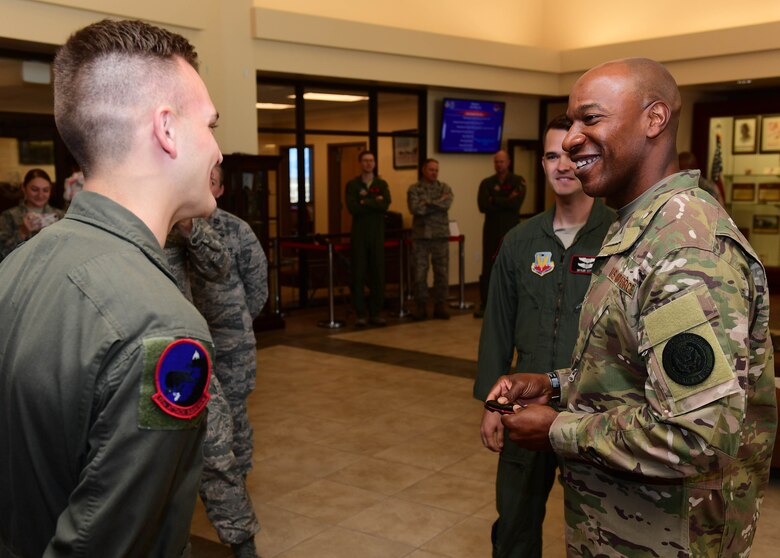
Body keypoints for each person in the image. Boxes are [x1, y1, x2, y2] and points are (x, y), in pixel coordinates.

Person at [486, 58, 777, 557]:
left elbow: (695, 433)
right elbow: (634, 367)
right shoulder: (638, 227)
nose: (573, 138)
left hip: (669, 539)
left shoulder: (686, 249)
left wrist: (560, 428)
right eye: (571, 122)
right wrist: (556, 385)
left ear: (654, 119)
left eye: (591, 119)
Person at [0, 19, 222, 557]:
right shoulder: (163, 329)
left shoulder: (18, 265)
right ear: (166, 129)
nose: (218, 149)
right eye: (212, 124)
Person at [475, 115, 615, 558]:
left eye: (573, 155)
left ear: (590, 160)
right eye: (553, 155)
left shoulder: (619, 235)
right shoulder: (519, 241)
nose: (563, 165)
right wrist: (493, 404)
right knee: (514, 524)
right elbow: (496, 327)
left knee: (602, 529)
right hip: (526, 405)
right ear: (542, 164)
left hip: (596, 411)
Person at [165, 216, 261, 558]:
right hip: (121, 353)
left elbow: (219, 266)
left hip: (179, 354)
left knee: (217, 449)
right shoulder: (97, 231)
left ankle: (242, 544)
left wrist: (189, 229)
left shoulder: (175, 220)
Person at [190, 165, 267, 499]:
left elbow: (258, 288)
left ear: (220, 190)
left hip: (232, 345)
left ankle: (238, 483)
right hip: (188, 344)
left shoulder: (238, 230)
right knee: (189, 415)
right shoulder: (170, 231)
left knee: (233, 415)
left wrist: (235, 323)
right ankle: (194, 483)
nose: (206, 187)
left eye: (213, 182)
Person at [474, 150, 525, 318]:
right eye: (496, 161)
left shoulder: (518, 181)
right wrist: (506, 199)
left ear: (508, 162)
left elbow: (516, 205)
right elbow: (483, 206)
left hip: (511, 230)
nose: (499, 164)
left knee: (511, 266)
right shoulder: (486, 183)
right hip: (491, 230)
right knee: (488, 267)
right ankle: (486, 304)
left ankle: (511, 304)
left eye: (502, 161)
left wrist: (494, 199)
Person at [345, 150, 391, 326]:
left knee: (378, 273)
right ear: (360, 163)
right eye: (365, 160)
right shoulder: (353, 185)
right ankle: (360, 314)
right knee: (358, 274)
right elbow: (353, 208)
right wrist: (374, 202)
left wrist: (365, 201)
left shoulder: (381, 183)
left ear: (375, 163)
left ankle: (375, 312)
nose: (368, 164)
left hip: (377, 235)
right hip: (359, 235)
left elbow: (385, 205)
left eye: (371, 160)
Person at [407, 158, 454, 320]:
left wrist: (427, 202)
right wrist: (437, 202)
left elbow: (446, 204)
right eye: (431, 170)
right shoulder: (414, 189)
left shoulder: (444, 187)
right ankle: (421, 307)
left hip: (440, 237)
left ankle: (440, 306)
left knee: (442, 273)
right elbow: (415, 209)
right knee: (419, 274)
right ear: (423, 170)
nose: (434, 173)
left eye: (436, 170)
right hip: (421, 238)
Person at [0, 168, 64, 260]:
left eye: (45, 190)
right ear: (24, 188)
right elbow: (2, 253)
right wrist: (22, 232)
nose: (40, 195)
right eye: (34, 189)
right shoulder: (8, 216)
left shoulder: (60, 216)